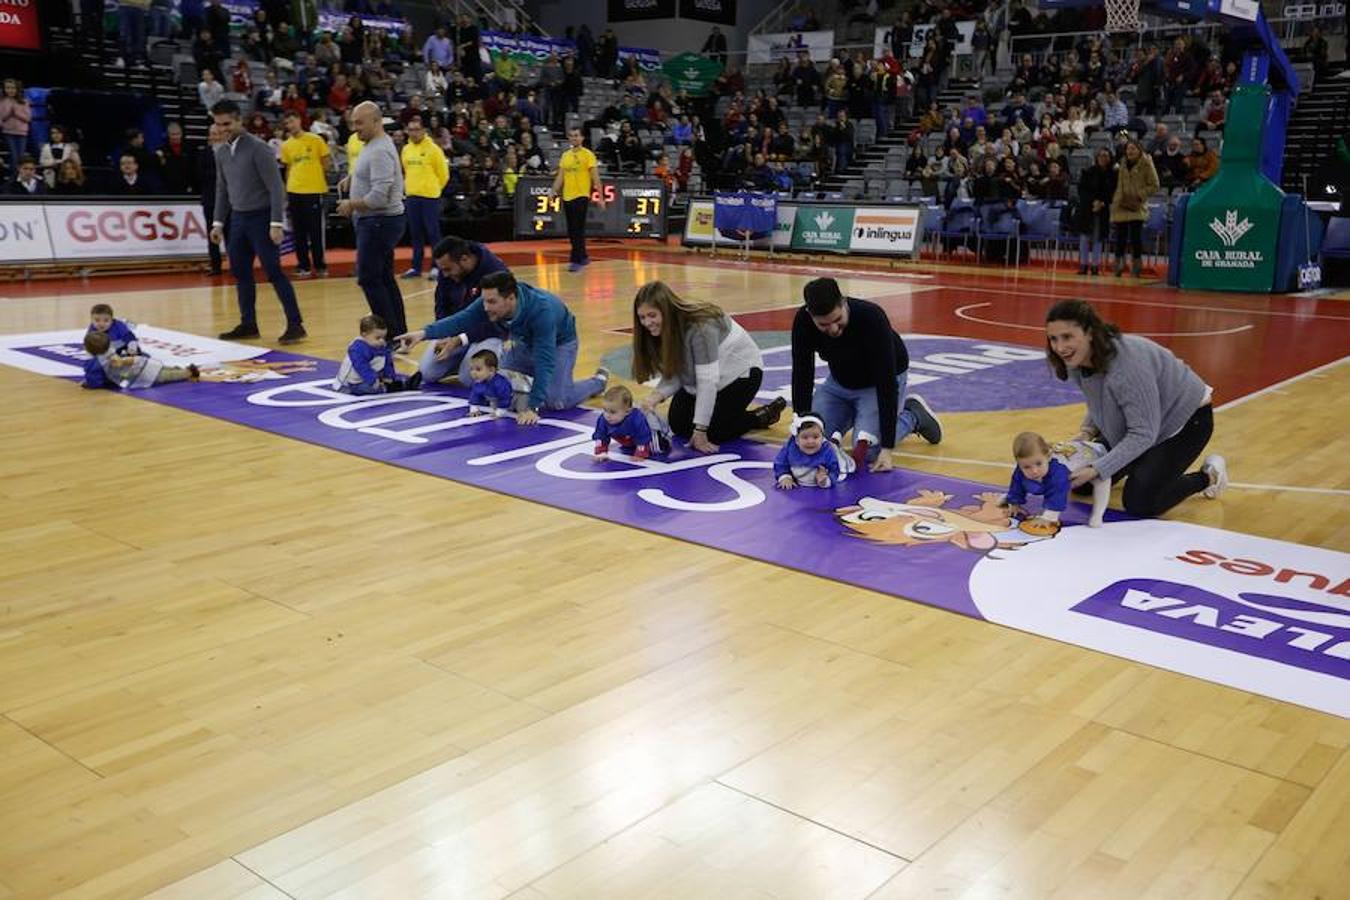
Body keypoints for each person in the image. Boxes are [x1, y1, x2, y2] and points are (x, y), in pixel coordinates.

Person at [1045, 299, 1227, 518]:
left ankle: (1207, 477)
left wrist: (1098, 468)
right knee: (1079, 482)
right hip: (1143, 422)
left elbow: (1143, 433)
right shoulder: (1077, 359)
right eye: (1053, 339)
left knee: (1140, 502)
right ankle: (1143, 465)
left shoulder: (1127, 364)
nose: (1060, 347)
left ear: (1090, 332)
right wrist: (1086, 432)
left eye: (1067, 337)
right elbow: (1100, 400)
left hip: (1186, 422)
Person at [395, 271, 607, 425]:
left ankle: (597, 382)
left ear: (511, 298)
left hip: (559, 343)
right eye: (484, 301)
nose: (486, 307)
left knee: (555, 401)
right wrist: (423, 333)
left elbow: (545, 360)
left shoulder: (542, 311)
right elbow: (461, 320)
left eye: (492, 302)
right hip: (524, 343)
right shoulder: (490, 302)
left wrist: (532, 407)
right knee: (494, 381)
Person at [789, 278, 941, 473]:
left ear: (843, 302)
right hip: (840, 382)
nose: (833, 329)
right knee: (813, 440)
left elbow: (886, 382)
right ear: (810, 315)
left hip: (878, 383)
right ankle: (860, 415)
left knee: (869, 451)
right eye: (824, 325)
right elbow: (802, 372)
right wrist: (800, 424)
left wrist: (887, 449)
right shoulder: (803, 321)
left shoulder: (871, 317)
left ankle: (913, 416)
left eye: (837, 320)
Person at [631, 281, 784, 453]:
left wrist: (701, 430)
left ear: (666, 310)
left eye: (652, 315)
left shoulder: (700, 328)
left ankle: (759, 417)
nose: (647, 322)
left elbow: (707, 381)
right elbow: (680, 371)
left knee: (713, 431)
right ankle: (730, 417)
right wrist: (655, 397)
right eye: (642, 317)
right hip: (707, 377)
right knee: (678, 423)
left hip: (742, 374)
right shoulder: (664, 329)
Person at [210, 99, 307, 344]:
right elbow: (222, 189)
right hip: (239, 220)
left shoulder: (258, 148)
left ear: (239, 120)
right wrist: (218, 223)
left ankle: (296, 325)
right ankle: (248, 324)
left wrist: (276, 222)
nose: (223, 129)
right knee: (240, 272)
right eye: (218, 124)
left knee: (274, 272)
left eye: (227, 124)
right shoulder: (221, 152)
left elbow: (276, 187)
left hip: (262, 218)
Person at [337, 101, 408, 337]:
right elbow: (373, 175)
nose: (355, 128)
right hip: (377, 221)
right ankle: (397, 333)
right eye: (353, 123)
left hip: (379, 221)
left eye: (359, 122)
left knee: (369, 279)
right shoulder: (373, 144)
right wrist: (353, 178)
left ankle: (386, 334)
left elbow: (379, 197)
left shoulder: (379, 150)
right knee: (384, 278)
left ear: (377, 122)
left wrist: (350, 204)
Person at [416, 236, 511, 383]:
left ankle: (501, 361)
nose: (445, 274)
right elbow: (441, 303)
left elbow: (495, 321)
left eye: (448, 269)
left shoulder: (495, 273)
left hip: (491, 332)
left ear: (465, 259)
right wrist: (445, 334)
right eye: (442, 270)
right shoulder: (446, 268)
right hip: (457, 330)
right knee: (427, 372)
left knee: (470, 378)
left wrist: (459, 340)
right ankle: (460, 361)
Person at [1002, 431, 1109, 529]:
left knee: (1101, 479)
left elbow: (1058, 495)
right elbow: (1017, 485)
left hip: (1097, 456)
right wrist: (1014, 503)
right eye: (1026, 467)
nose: (1034, 471)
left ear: (1048, 457)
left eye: (1038, 464)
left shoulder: (1058, 473)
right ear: (1019, 463)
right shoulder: (1023, 468)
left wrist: (1048, 517)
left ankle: (1098, 514)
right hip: (1076, 452)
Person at [280, 111, 331, 278]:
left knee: (315, 230)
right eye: (287, 123)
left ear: (300, 120)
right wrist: (287, 190)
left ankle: (320, 265)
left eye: (292, 121)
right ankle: (303, 265)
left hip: (313, 190)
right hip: (294, 191)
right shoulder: (286, 145)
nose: (290, 125)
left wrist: (316, 178)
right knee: (299, 231)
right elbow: (288, 168)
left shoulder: (315, 140)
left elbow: (326, 162)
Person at [400, 117, 449, 279]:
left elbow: (443, 174)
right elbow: (405, 171)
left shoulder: (434, 149)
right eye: (410, 130)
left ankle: (438, 266)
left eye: (416, 130)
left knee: (433, 233)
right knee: (415, 234)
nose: (413, 133)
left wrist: (435, 189)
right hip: (412, 196)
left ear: (423, 131)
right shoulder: (406, 149)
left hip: (429, 197)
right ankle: (416, 267)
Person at [551, 127, 604, 272]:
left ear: (582, 138)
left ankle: (576, 259)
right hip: (567, 195)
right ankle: (583, 256)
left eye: (576, 136)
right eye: (571, 136)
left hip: (581, 195)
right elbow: (560, 176)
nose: (574, 138)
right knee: (572, 229)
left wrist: (600, 197)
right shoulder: (565, 155)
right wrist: (552, 191)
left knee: (577, 228)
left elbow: (596, 178)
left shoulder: (588, 155)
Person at [81, 331, 199, 390]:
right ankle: (177, 369)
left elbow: (95, 380)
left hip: (131, 374)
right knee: (157, 369)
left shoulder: (94, 363)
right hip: (135, 363)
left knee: (162, 377)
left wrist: (88, 384)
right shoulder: (109, 350)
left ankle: (187, 373)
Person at [334, 314, 419, 395]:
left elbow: (387, 361)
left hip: (372, 376)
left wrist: (390, 376)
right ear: (364, 335)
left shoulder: (380, 344)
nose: (382, 341)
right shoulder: (357, 349)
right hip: (351, 384)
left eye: (383, 337)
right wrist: (373, 380)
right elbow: (362, 367)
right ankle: (395, 386)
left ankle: (396, 385)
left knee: (383, 380)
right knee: (370, 388)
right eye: (378, 338)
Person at [1110, 139, 1159, 277]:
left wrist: (1139, 195)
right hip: (1121, 204)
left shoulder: (1146, 163)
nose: (1130, 151)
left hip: (1136, 205)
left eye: (1133, 148)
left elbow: (1155, 185)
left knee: (1135, 238)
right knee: (1120, 237)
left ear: (1139, 150)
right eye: (1128, 149)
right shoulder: (1122, 163)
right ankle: (1118, 265)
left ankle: (1136, 266)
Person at [592, 384, 670, 459]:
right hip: (628, 437)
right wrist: (601, 452)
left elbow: (643, 434)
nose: (607, 415)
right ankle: (633, 444)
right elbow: (600, 436)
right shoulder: (603, 419)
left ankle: (665, 439)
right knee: (628, 446)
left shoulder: (636, 419)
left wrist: (641, 452)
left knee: (657, 449)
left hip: (651, 429)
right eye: (605, 410)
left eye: (612, 412)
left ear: (627, 412)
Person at [774, 413, 847, 490]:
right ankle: (834, 440)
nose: (810, 441)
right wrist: (784, 476)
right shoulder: (790, 447)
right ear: (796, 440)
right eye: (805, 437)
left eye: (815, 437)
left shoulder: (828, 451)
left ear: (822, 438)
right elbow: (780, 463)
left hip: (833, 453)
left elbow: (835, 470)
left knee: (849, 465)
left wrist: (825, 481)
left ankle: (835, 442)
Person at [1077, 147, 1116, 276]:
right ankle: (1083, 265)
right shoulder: (1088, 172)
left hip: (1103, 209)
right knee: (1084, 237)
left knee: (1098, 238)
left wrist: (1103, 202)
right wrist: (1093, 202)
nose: (1103, 158)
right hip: (1087, 209)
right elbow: (1082, 191)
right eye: (1101, 155)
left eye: (1106, 156)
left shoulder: (1113, 175)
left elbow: (1112, 192)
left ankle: (1095, 266)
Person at [466, 347, 527, 417]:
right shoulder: (478, 382)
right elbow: (475, 395)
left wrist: (500, 412)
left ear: (491, 370)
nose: (473, 373)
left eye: (478, 369)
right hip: (499, 400)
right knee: (494, 405)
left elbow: (506, 397)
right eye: (471, 369)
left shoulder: (499, 383)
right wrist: (474, 409)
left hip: (517, 396)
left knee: (523, 410)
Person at [0, 79, 32, 172]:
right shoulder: (2, 102)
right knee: (14, 156)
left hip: (22, 132)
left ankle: (20, 176)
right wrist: (9, 112)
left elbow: (28, 118)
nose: (10, 90)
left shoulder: (24, 101)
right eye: (8, 88)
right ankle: (13, 177)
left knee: (21, 156)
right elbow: (1, 118)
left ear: (17, 89)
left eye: (13, 88)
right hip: (8, 132)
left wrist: (17, 112)